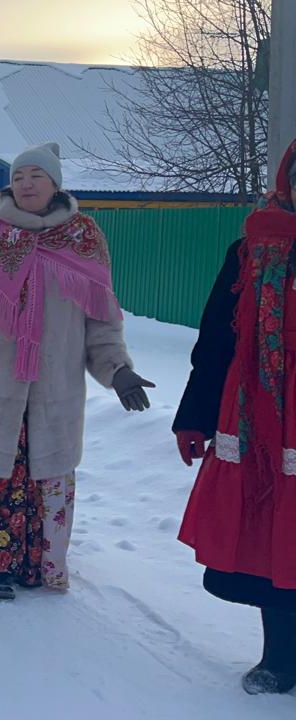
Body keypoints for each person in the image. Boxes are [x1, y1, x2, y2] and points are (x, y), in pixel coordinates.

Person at [0, 142, 153, 600]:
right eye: (20, 175)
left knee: (41, 475)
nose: (26, 184)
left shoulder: (85, 238)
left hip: (54, 387)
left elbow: (100, 318)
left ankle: (38, 563)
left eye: (37, 176)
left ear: (55, 184)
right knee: (0, 473)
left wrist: (119, 370)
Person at [174, 137, 296, 695]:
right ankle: (280, 658)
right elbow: (217, 338)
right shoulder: (250, 249)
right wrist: (193, 416)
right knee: (273, 532)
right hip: (260, 418)